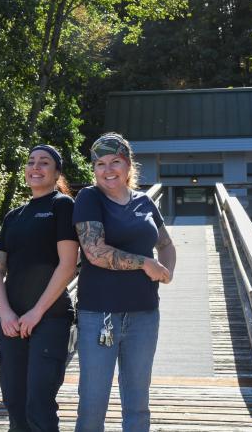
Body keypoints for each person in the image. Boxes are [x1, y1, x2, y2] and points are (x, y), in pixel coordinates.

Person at [73, 132, 176, 432]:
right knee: (93, 403)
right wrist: (145, 263)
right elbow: (94, 252)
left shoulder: (145, 202)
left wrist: (166, 272)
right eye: (100, 164)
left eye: (115, 162)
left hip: (144, 314)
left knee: (138, 404)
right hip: (99, 315)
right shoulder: (89, 198)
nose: (107, 170)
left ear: (128, 164)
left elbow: (167, 244)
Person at [0, 144, 79, 432]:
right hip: (11, 323)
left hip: (50, 319)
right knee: (14, 404)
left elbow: (67, 265)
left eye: (44, 163)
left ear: (56, 174)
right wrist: (5, 313)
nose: (36, 167)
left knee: (38, 404)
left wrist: (35, 312)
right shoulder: (13, 217)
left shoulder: (62, 206)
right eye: (31, 162)